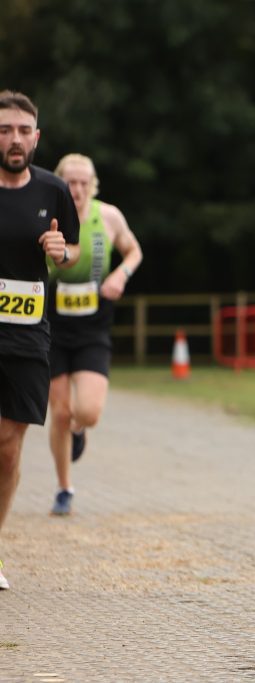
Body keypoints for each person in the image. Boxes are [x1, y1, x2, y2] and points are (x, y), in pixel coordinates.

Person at [0, 90, 80, 589]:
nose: (14, 139)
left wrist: (59, 250)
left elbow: (69, 251)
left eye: (23, 130)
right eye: (5, 129)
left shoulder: (52, 190)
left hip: (28, 333)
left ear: (37, 136)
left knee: (8, 450)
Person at [46, 153, 143, 516]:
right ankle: (64, 487)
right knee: (58, 410)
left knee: (87, 411)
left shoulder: (109, 217)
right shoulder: (48, 214)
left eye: (84, 182)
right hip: (53, 321)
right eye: (71, 182)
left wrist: (121, 275)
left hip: (93, 323)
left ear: (93, 184)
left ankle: (78, 428)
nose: (78, 189)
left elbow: (134, 251)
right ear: (60, 182)